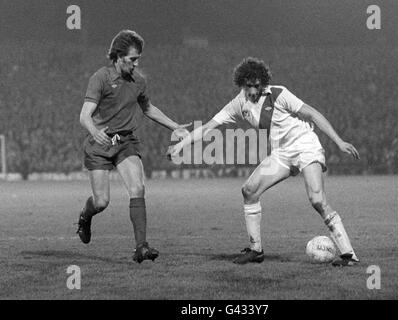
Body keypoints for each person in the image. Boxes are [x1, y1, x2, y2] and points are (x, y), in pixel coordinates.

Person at [167, 57, 360, 266]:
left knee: (317, 200)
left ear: (263, 84)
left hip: (305, 146)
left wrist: (339, 141)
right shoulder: (238, 103)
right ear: (241, 84)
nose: (252, 91)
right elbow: (208, 127)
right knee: (249, 190)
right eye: (248, 86)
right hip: (281, 153)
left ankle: (349, 255)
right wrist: (180, 145)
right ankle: (255, 250)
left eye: (256, 86)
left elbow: (312, 113)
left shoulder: (279, 94)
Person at [77, 30, 189, 263]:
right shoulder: (101, 78)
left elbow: (147, 108)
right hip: (100, 145)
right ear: (118, 57)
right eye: (132, 59)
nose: (136, 63)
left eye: (138, 58)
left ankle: (141, 247)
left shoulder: (139, 80)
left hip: (125, 141)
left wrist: (174, 126)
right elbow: (84, 116)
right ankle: (85, 217)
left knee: (138, 188)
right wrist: (95, 133)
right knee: (101, 202)